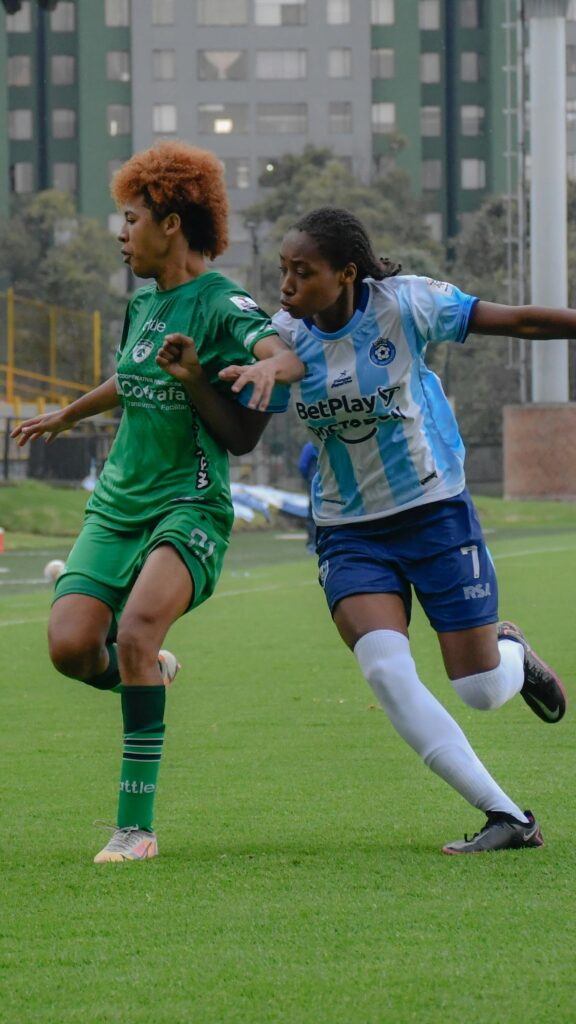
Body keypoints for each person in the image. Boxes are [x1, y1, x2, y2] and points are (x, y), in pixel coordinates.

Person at [220, 204, 569, 855]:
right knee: (385, 670)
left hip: (434, 513)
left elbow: (516, 319)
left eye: (303, 271)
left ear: (346, 273)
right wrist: (234, 372)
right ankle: (508, 818)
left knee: (480, 690)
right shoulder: (282, 334)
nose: (287, 285)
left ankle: (513, 655)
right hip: (349, 533)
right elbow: (261, 400)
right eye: (282, 271)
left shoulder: (406, 305)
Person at [11, 140, 295, 864]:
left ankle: (134, 829)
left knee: (134, 633)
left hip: (188, 505)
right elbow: (132, 377)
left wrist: (271, 366)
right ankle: (154, 672)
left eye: (131, 217)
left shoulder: (220, 300)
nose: (121, 231)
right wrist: (69, 414)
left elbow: (271, 346)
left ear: (171, 222)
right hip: (117, 506)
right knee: (72, 647)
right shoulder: (144, 305)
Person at [298, 440, 318, 553]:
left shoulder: (310, 446)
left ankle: (313, 543)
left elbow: (302, 466)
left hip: (314, 483)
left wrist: (309, 479)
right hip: (330, 484)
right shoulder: (330, 441)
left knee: (313, 514)